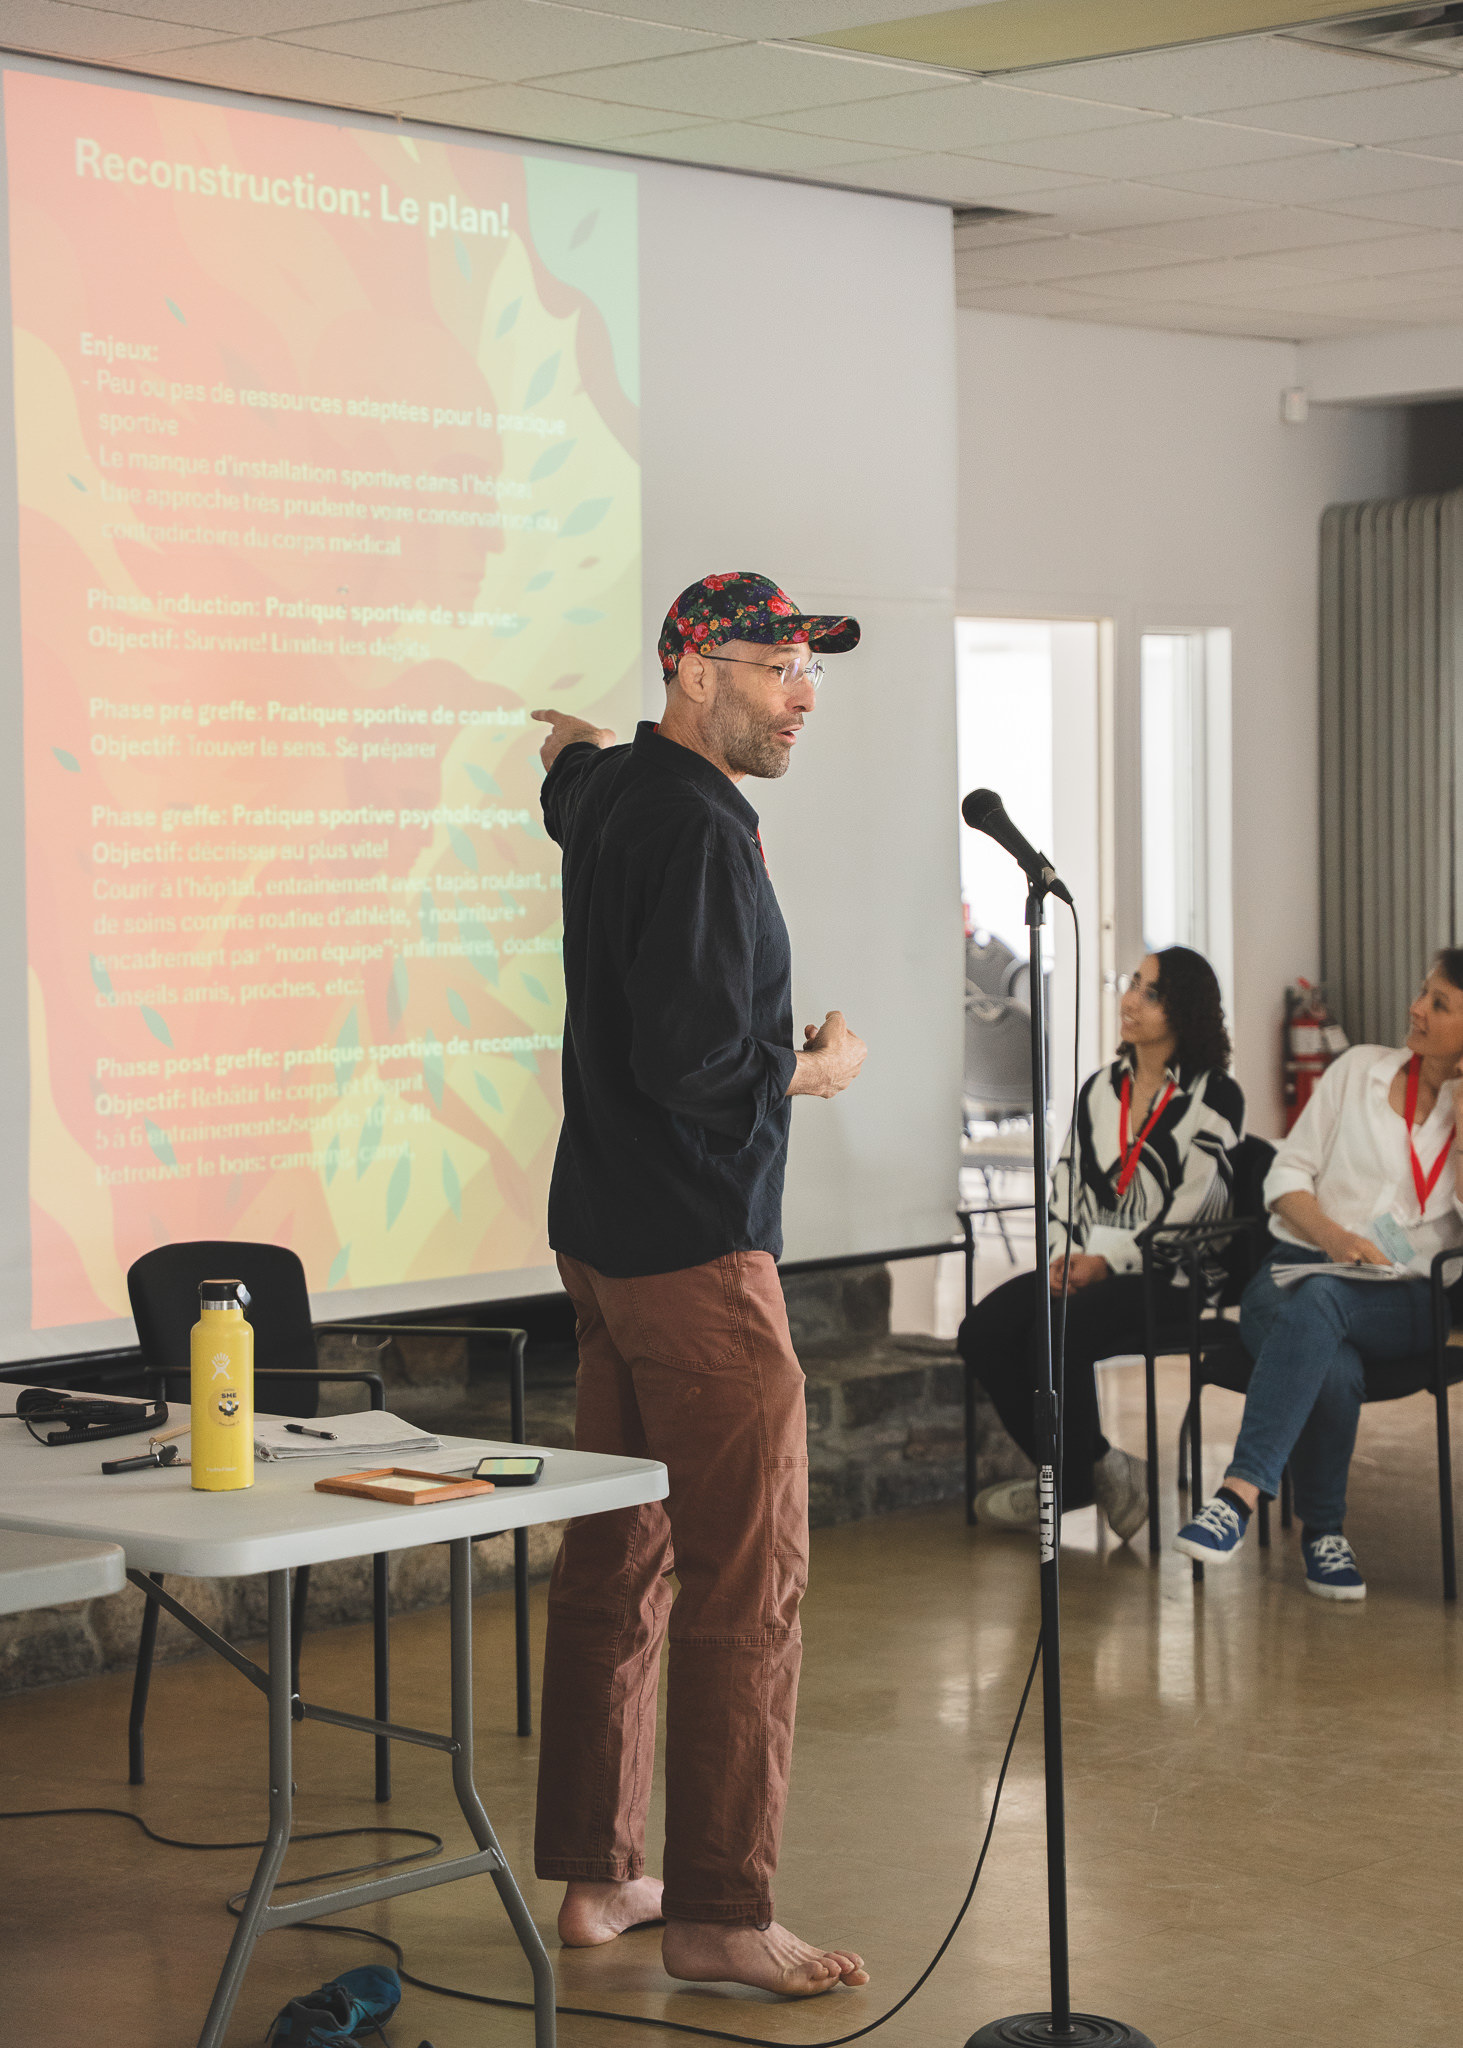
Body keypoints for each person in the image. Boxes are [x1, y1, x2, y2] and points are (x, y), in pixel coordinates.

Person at [528, 571, 871, 2000]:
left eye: (809, 665)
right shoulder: (703, 831)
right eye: (773, 662)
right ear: (690, 669)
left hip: (605, 1244)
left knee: (619, 1556)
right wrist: (815, 1066)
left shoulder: (618, 792)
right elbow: (695, 1065)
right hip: (696, 1255)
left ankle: (600, 1875)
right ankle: (721, 1911)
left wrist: (567, 751)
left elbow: (569, 787)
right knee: (749, 1578)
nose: (802, 691)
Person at [1175, 952, 1463, 1600]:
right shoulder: (1357, 1069)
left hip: (1409, 1297)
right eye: (1423, 992)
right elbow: (1285, 1175)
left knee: (1324, 1300)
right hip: (1294, 1267)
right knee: (1329, 1351)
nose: (1416, 1008)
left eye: (1439, 1003)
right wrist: (1335, 1238)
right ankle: (1323, 1533)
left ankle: (1236, 1495)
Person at [961, 947, 1244, 1537]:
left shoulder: (1215, 1096)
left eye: (1151, 993)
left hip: (1172, 1273)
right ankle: (1091, 1469)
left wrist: (1107, 1263)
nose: (1130, 1000)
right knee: (981, 1332)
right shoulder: (1100, 1089)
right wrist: (1063, 1256)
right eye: (1133, 983)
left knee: (1055, 1329)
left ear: (1185, 1010)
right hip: (1084, 1265)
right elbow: (1065, 1183)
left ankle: (1067, 1480)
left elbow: (1195, 1209)